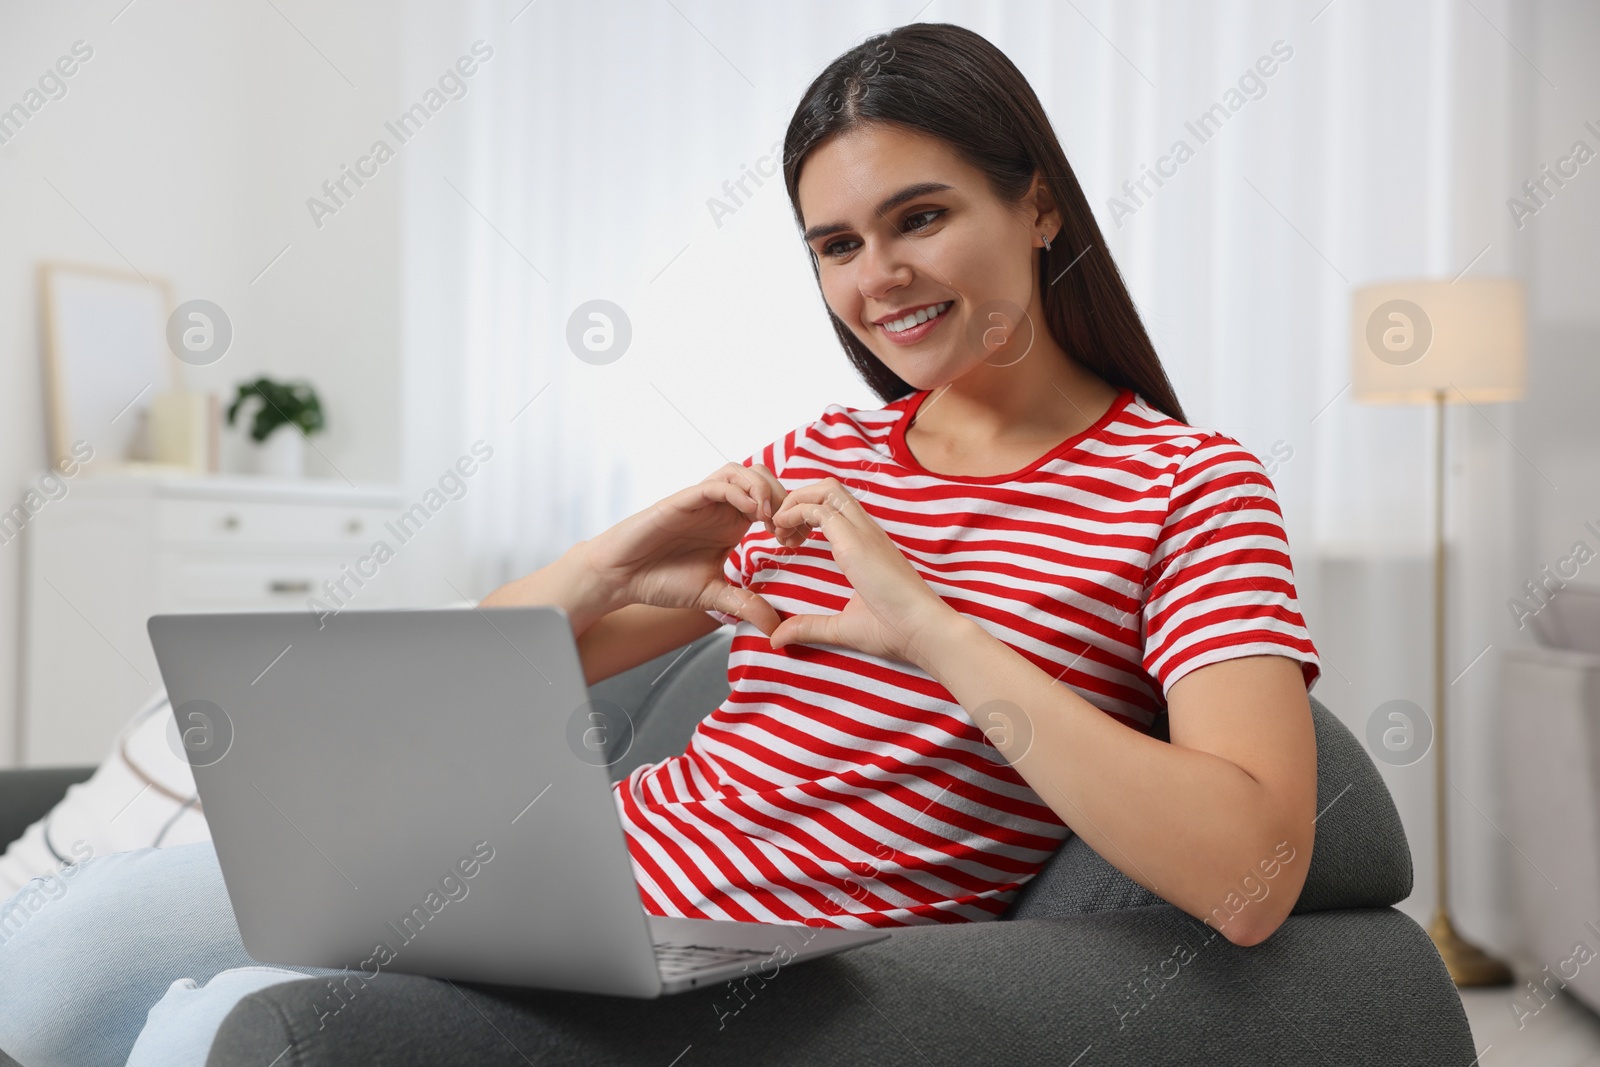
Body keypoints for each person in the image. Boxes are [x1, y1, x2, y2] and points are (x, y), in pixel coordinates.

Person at [0, 21, 1320, 1065]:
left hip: (727, 954)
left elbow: (1253, 876)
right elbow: (452, 689)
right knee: (59, 953)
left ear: (1038, 209)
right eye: (838, 245)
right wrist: (611, 563)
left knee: (207, 1029)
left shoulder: (1188, 485)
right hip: (557, 872)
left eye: (921, 218)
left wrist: (931, 627)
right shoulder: (823, 462)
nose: (879, 280)